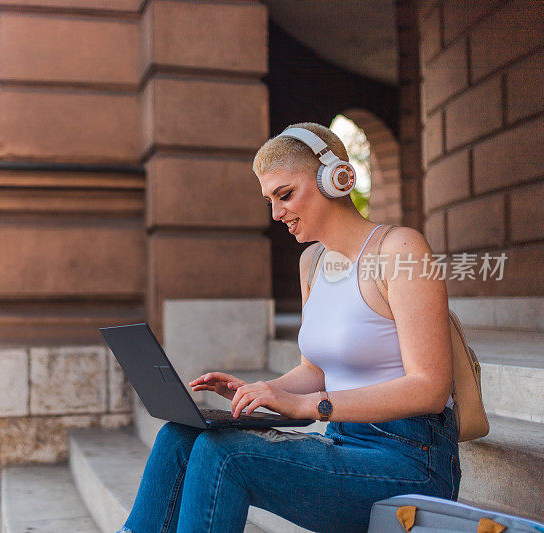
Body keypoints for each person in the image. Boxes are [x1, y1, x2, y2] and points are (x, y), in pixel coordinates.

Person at [116, 122, 459, 533]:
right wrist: (264, 391)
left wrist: (307, 406)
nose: (277, 213)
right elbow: (314, 369)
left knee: (223, 454)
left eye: (285, 194)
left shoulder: (401, 249)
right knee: (179, 436)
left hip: (410, 457)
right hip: (343, 442)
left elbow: (431, 387)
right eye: (270, 200)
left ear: (336, 179)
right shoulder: (312, 263)